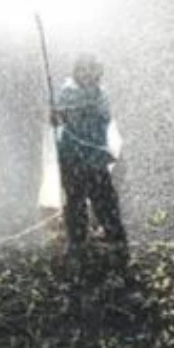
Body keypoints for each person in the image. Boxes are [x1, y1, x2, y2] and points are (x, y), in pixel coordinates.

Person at [50, 53, 127, 270]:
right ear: (76, 72)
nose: (86, 74)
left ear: (97, 72)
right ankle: (77, 244)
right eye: (82, 70)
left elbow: (104, 117)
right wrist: (56, 117)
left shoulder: (101, 94)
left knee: (105, 199)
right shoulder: (66, 94)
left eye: (91, 70)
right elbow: (57, 119)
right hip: (72, 156)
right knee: (75, 201)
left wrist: (80, 113)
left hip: (94, 157)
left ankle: (116, 241)